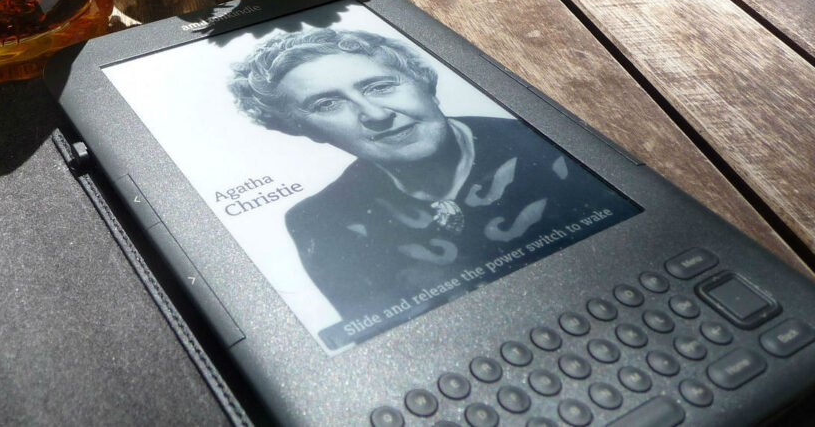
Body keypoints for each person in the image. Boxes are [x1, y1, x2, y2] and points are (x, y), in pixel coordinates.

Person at [229, 27, 633, 322]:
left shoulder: (548, 145)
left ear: (424, 84)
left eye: (380, 86)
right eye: (327, 105)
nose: (375, 114)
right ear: (305, 131)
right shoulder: (322, 221)